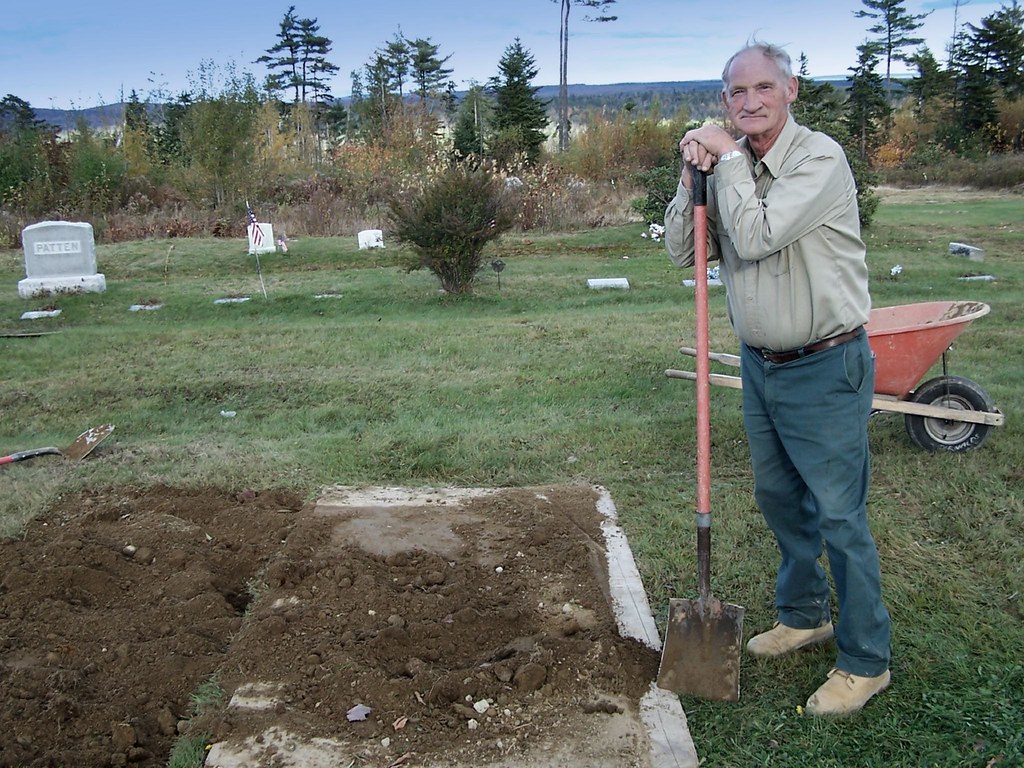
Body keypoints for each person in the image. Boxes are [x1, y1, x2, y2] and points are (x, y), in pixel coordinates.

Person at [664, 39, 891, 716]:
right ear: (724, 100)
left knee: (839, 515)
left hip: (826, 364)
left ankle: (865, 660)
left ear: (791, 90)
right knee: (780, 500)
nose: (750, 101)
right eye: (737, 91)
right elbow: (684, 250)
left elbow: (759, 234)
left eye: (764, 86)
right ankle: (803, 614)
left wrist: (727, 161)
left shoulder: (818, 158)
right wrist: (690, 177)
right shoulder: (731, 166)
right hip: (762, 366)